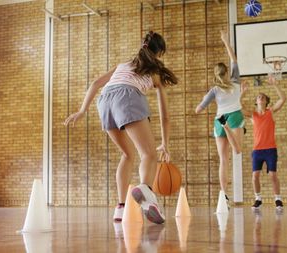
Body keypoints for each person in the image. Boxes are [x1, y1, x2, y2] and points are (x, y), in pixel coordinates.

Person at [64, 31, 178, 224]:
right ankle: (145, 191)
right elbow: (165, 116)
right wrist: (165, 143)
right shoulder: (155, 73)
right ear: (159, 54)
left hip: (105, 101)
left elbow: (95, 83)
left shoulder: (123, 65)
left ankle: (121, 207)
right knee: (149, 154)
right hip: (127, 97)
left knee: (127, 155)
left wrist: (82, 110)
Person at [195, 30, 246, 204]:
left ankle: (223, 194)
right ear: (227, 72)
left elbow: (198, 110)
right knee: (237, 150)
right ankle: (226, 126)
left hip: (219, 118)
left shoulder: (214, 91)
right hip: (234, 117)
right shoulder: (236, 82)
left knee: (223, 160)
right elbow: (234, 59)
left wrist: (202, 104)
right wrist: (225, 41)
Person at [240, 75, 286, 210]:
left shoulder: (270, 112)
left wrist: (275, 85)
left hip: (270, 149)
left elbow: (283, 99)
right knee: (255, 176)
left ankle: (278, 199)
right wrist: (242, 93)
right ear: (256, 101)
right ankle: (258, 198)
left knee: (273, 175)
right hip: (257, 150)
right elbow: (238, 106)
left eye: (263, 97)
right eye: (258, 97)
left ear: (266, 101)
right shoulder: (253, 115)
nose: (260, 98)